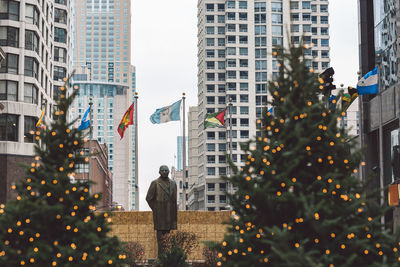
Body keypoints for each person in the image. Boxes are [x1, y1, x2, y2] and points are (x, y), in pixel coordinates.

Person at [146, 165, 178, 255]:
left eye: (166, 170)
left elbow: (174, 200)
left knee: (168, 239)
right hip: (159, 215)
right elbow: (149, 198)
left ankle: (168, 257)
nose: (164, 172)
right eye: (162, 170)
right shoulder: (155, 183)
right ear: (159, 172)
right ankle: (161, 258)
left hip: (170, 214)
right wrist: (156, 209)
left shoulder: (173, 183)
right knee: (160, 239)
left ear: (168, 172)